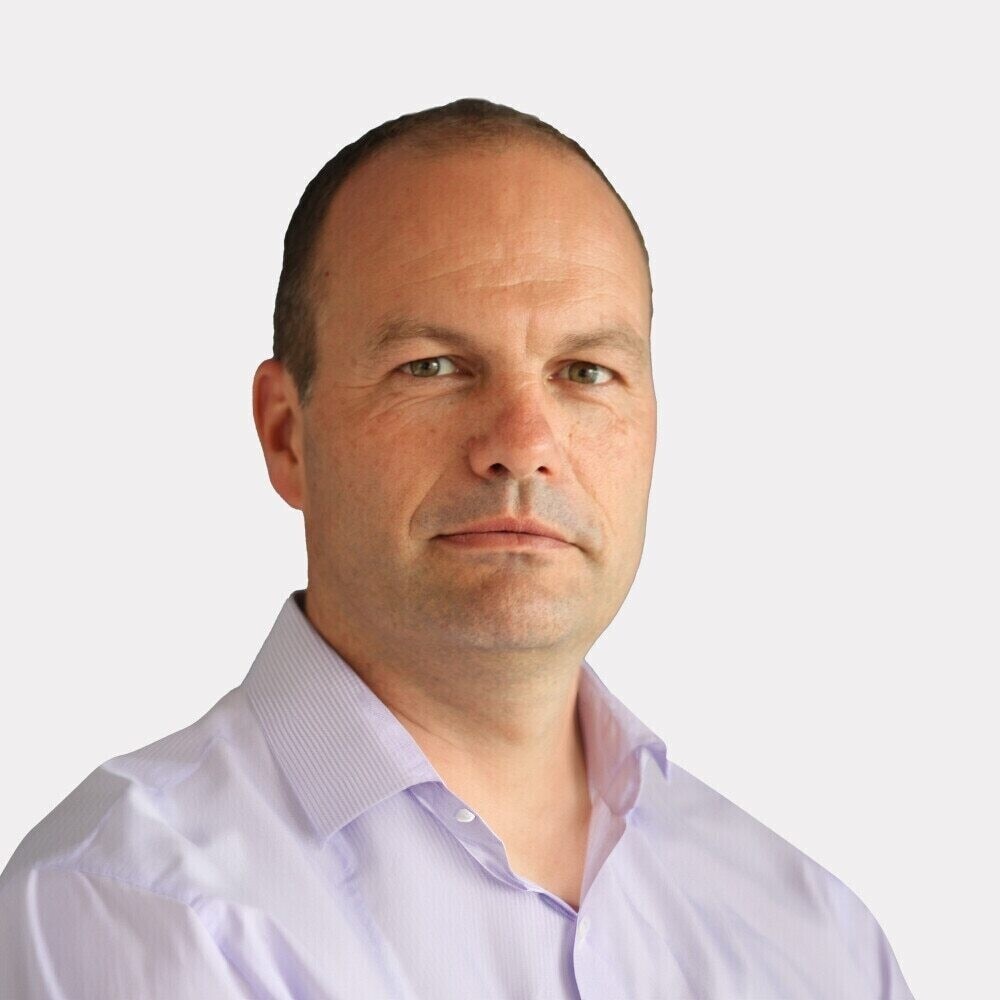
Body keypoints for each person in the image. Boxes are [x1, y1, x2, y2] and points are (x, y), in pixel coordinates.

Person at [0, 98, 914, 999]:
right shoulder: (130, 904)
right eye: (432, 366)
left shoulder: (818, 939)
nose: (523, 442)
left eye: (586, 372)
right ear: (287, 435)